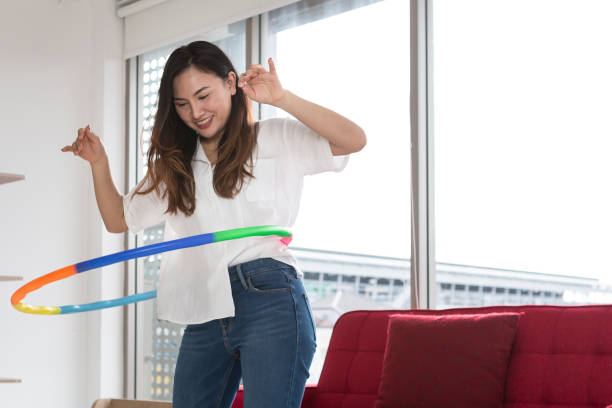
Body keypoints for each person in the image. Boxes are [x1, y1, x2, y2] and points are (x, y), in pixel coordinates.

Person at [62, 40, 366, 408]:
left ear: (231, 83)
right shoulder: (175, 166)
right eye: (182, 104)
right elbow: (117, 219)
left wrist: (282, 97)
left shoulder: (273, 138)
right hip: (205, 304)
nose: (196, 112)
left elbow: (353, 139)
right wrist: (98, 162)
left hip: (269, 293)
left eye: (204, 96)